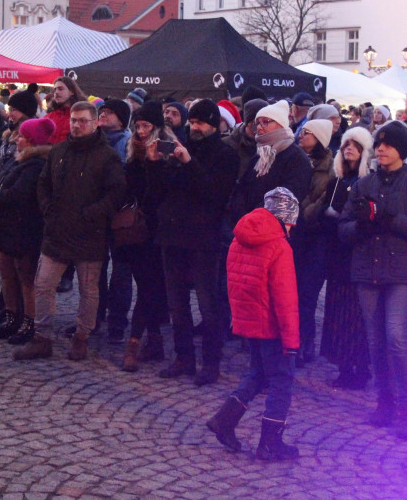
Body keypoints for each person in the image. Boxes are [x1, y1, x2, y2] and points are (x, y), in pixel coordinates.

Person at [339, 121, 407, 440]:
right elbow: (343, 227)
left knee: (397, 335)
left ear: (402, 149)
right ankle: (385, 401)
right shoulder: (363, 184)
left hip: (402, 271)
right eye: (378, 144)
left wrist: (390, 219)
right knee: (375, 339)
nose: (381, 149)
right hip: (368, 267)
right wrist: (362, 227)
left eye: (389, 144)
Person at [13, 101, 126, 361]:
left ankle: (82, 337)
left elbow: (117, 193)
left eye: (82, 121)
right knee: (43, 285)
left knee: (88, 290)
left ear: (95, 122)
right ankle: (42, 338)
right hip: (57, 230)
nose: (76, 125)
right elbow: (43, 184)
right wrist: (48, 209)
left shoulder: (107, 156)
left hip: (89, 233)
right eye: (74, 120)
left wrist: (93, 213)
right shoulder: (59, 150)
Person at [207, 187, 301, 461]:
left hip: (251, 322)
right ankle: (270, 443)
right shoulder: (279, 245)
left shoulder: (240, 238)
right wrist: (292, 341)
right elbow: (285, 299)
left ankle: (224, 420)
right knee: (282, 381)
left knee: (258, 373)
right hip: (272, 327)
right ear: (286, 219)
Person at [150, 100, 239, 384]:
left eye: (201, 123)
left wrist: (189, 163)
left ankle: (211, 363)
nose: (194, 127)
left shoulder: (225, 154)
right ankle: (184, 357)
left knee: (208, 305)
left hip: (204, 240)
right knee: (177, 305)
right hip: (173, 236)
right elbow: (159, 192)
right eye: (193, 122)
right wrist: (155, 165)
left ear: (214, 125)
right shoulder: (179, 148)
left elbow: (214, 194)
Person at [0, 117, 53, 342]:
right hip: (7, 227)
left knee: (25, 279)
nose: (17, 139)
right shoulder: (19, 161)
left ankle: (28, 322)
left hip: (24, 230)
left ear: (30, 141)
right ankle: (12, 317)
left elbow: (15, 196)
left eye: (21, 136)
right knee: (8, 275)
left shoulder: (36, 165)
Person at [118, 102, 174, 370]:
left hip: (160, 230)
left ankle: (134, 343)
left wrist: (154, 164)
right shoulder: (133, 153)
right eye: (137, 126)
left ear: (157, 128)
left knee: (150, 288)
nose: (140, 132)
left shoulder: (168, 152)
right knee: (148, 287)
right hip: (137, 231)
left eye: (146, 126)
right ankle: (154, 340)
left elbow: (161, 192)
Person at [319, 126, 374, 388]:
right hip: (337, 257)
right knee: (338, 311)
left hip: (358, 257)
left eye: (355, 144)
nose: (349, 147)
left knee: (356, 315)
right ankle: (343, 366)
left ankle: (360, 368)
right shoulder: (336, 182)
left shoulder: (369, 183)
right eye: (346, 143)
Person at [290, 119, 336, 366]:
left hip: (317, 237)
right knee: (294, 291)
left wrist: (302, 210)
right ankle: (295, 341)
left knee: (308, 293)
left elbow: (324, 200)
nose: (301, 136)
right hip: (296, 235)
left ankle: (305, 342)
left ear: (319, 138)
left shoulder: (331, 168)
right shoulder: (297, 160)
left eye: (307, 133)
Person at [228, 100, 313, 224]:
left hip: (276, 230)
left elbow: (288, 196)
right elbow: (242, 187)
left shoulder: (297, 158)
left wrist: (253, 217)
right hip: (247, 226)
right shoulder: (260, 154)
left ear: (280, 124)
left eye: (265, 122)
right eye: (257, 123)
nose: (258, 127)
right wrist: (240, 215)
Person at [223, 99, 268, 180]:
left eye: (266, 122)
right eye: (257, 122)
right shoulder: (227, 144)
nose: (261, 126)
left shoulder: (272, 145)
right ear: (248, 122)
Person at [44, 76, 86, 145]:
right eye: (55, 90)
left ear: (72, 91)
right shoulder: (48, 117)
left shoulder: (83, 116)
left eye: (60, 89)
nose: (56, 92)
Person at [97, 98, 131, 162]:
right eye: (103, 111)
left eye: (109, 112)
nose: (103, 115)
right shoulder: (96, 136)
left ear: (121, 121)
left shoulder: (124, 142)